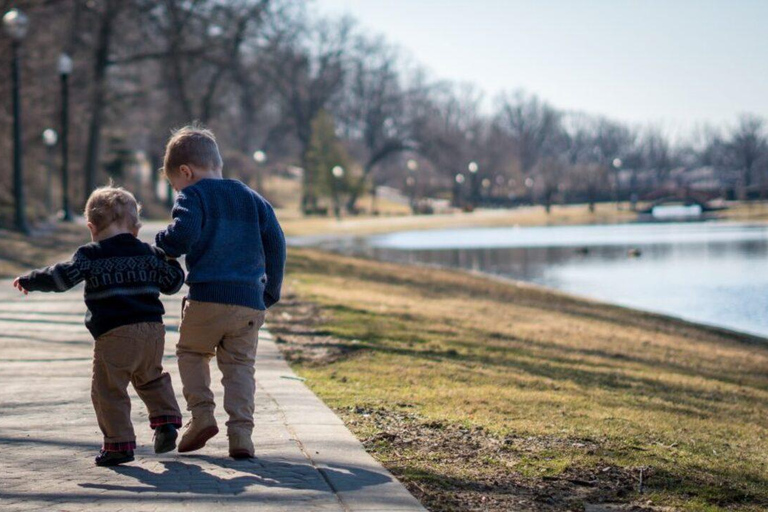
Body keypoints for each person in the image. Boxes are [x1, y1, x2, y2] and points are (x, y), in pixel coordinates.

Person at [13, 186, 185, 467]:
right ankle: (166, 422)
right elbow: (172, 283)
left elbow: (61, 278)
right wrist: (171, 261)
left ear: (91, 227)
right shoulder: (148, 252)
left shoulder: (90, 255)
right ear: (135, 228)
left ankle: (119, 445)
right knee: (151, 377)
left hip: (115, 334)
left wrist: (32, 280)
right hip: (152, 331)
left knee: (108, 389)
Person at [155, 125, 286, 459]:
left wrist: (162, 243)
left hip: (207, 297)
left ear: (186, 172)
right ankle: (241, 435)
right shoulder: (253, 198)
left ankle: (201, 416)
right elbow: (277, 244)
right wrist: (270, 291)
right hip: (249, 302)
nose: (177, 190)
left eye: (175, 185)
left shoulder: (193, 195)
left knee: (192, 353)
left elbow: (181, 237)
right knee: (240, 366)